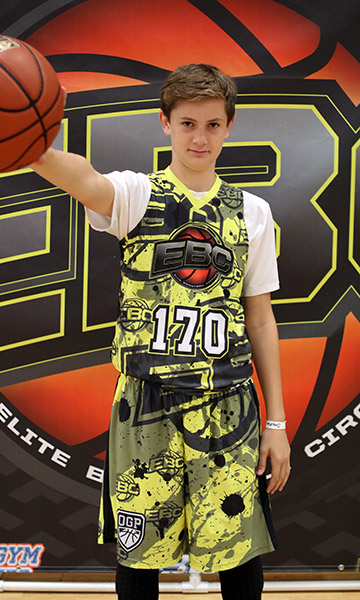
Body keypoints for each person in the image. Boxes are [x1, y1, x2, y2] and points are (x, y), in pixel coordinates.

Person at [32, 63, 291, 600]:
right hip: (145, 402)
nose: (200, 138)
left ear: (229, 127)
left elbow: (261, 318)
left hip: (227, 403)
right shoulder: (137, 194)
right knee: (140, 558)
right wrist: (31, 150)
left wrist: (278, 422)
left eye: (213, 125)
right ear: (165, 123)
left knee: (238, 555)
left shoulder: (253, 212)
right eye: (188, 123)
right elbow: (84, 180)